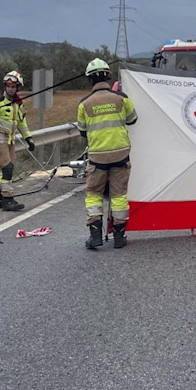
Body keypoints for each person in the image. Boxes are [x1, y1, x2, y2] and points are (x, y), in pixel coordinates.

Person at [77, 58, 137, 249]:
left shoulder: (84, 104)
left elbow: (82, 131)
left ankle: (95, 236)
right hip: (120, 155)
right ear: (108, 77)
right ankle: (119, 237)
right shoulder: (122, 98)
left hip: (97, 157)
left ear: (90, 80)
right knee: (119, 195)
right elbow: (133, 119)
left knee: (94, 194)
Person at [0, 71, 35, 212]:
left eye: (13, 86)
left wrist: (28, 138)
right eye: (8, 86)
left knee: (3, 169)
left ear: (18, 88)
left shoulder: (17, 105)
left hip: (10, 140)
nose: (10, 88)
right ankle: (8, 200)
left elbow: (22, 123)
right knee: (7, 168)